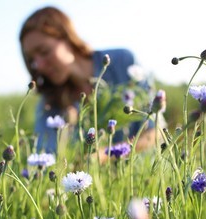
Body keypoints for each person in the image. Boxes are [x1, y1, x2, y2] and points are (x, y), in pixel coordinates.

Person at [19, 6, 158, 156]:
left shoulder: (122, 62)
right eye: (32, 60)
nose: (38, 65)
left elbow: (155, 133)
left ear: (66, 38)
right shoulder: (50, 104)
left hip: (143, 174)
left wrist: (104, 155)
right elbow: (48, 158)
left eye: (44, 51)